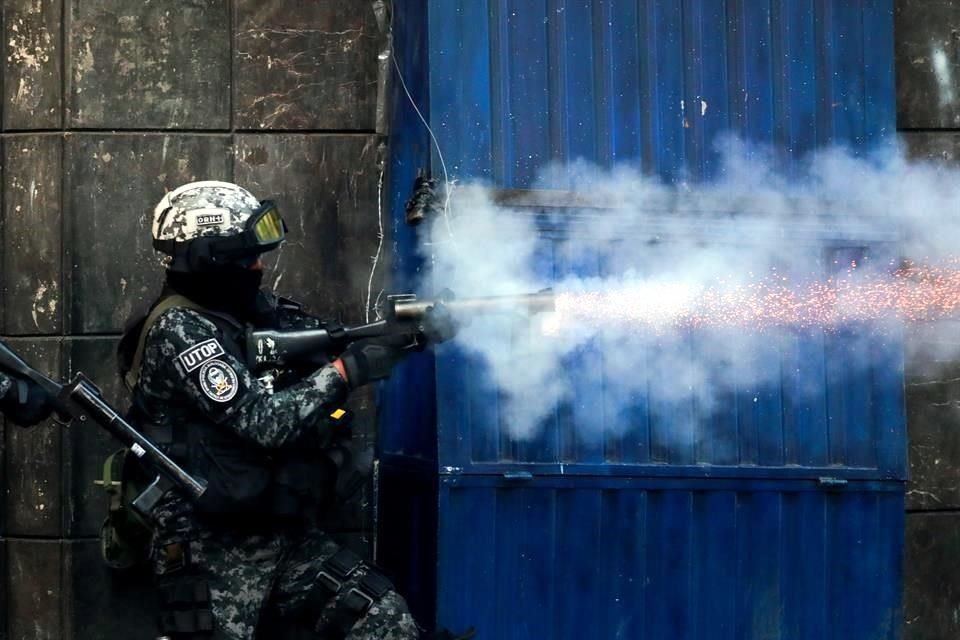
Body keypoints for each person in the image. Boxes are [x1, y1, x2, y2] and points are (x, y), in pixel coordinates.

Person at [119, 181, 442, 640]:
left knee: (384, 622)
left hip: (278, 529)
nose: (258, 265)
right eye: (247, 254)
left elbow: (334, 336)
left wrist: (408, 332)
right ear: (210, 257)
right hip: (209, 544)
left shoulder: (246, 310)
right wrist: (347, 371)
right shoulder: (179, 329)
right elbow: (267, 422)